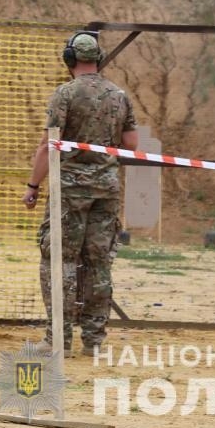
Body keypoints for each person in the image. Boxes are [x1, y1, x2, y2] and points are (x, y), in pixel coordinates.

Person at [23, 31, 138, 357]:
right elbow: (131, 145)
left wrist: (33, 187)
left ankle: (58, 339)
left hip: (69, 191)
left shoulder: (64, 94)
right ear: (98, 59)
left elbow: (48, 146)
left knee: (59, 261)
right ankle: (95, 341)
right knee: (98, 264)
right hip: (106, 189)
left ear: (69, 59)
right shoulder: (119, 95)